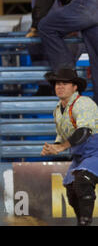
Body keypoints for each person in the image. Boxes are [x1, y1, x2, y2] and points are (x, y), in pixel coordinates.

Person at [28, 0, 98, 104]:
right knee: (96, 58)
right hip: (92, 9)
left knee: (46, 26)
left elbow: (44, 0)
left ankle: (66, 71)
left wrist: (34, 26)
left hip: (85, 3)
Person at [40, 68, 98, 226]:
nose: (60, 86)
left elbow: (85, 131)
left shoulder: (83, 103)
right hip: (81, 155)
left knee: (82, 182)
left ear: (75, 87)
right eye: (58, 83)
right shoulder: (58, 110)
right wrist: (53, 147)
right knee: (72, 190)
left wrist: (61, 147)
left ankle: (85, 223)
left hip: (95, 151)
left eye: (65, 83)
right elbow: (62, 136)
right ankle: (82, 222)